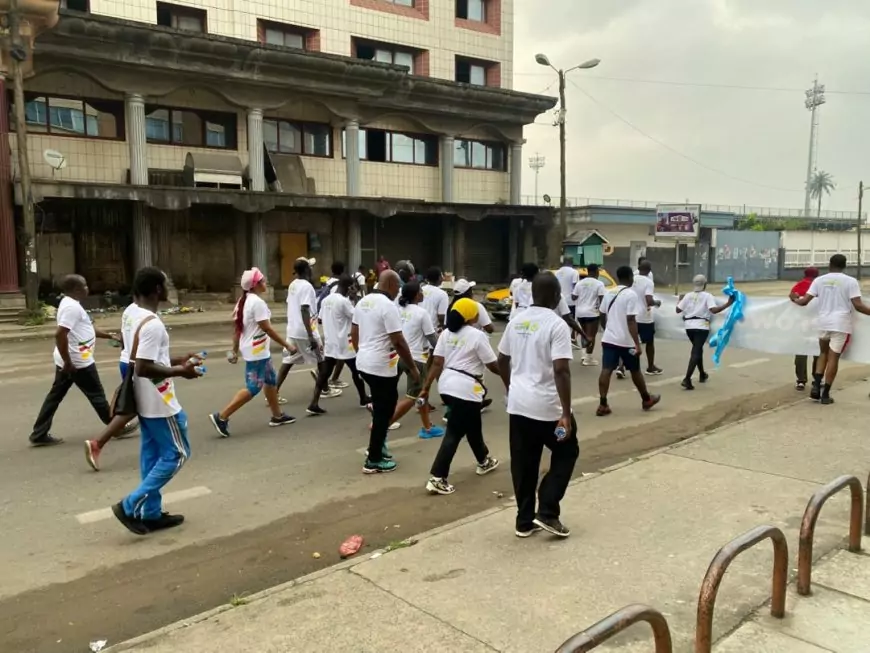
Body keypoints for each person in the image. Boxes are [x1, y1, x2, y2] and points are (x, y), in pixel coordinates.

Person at [111, 267, 203, 536]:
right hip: (159, 399)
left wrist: (177, 360)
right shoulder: (152, 324)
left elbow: (146, 357)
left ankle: (150, 513)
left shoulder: (131, 312)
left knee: (151, 455)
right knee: (177, 453)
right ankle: (130, 505)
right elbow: (143, 366)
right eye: (165, 284)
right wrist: (181, 372)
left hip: (144, 397)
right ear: (158, 290)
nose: (167, 288)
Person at [497, 272, 579, 538]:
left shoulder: (516, 321)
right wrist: (566, 413)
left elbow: (502, 360)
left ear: (532, 295)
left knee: (524, 462)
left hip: (519, 408)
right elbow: (561, 371)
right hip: (550, 411)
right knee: (566, 451)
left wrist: (511, 388)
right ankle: (547, 510)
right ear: (557, 296)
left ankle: (524, 521)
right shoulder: (556, 325)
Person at [420, 298, 502, 495]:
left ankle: (483, 460)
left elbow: (437, 363)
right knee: (455, 432)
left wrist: (426, 387)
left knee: (472, 425)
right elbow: (492, 365)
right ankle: (437, 477)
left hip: (447, 386)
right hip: (466, 389)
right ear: (471, 316)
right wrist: (511, 374)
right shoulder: (477, 335)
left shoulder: (446, 334)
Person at [29, 274, 120, 447]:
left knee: (55, 396)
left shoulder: (71, 304)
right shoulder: (71, 308)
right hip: (77, 361)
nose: (87, 288)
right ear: (76, 289)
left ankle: (38, 433)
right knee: (97, 395)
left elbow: (88, 328)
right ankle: (116, 426)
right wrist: (68, 362)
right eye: (85, 286)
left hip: (70, 359)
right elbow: (60, 334)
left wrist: (108, 335)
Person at [208, 268, 296, 437]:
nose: (265, 283)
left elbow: (237, 329)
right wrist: (288, 345)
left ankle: (277, 416)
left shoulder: (244, 300)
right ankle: (222, 416)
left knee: (270, 380)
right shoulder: (257, 303)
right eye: (263, 280)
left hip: (256, 349)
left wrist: (234, 350)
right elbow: (267, 329)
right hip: (257, 351)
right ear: (256, 285)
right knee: (253, 387)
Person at [352, 269, 419, 473]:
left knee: (382, 407)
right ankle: (373, 459)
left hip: (364, 363)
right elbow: (398, 341)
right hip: (381, 367)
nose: (399, 290)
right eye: (398, 286)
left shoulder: (363, 302)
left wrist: (362, 352)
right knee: (385, 411)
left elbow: (354, 333)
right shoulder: (388, 307)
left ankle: (378, 447)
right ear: (390, 284)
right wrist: (413, 367)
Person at [792, 254, 870, 404]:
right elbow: (858, 306)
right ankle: (826, 393)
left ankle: (815, 387)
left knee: (822, 354)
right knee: (833, 358)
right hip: (840, 323)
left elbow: (804, 302)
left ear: (829, 265)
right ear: (845, 265)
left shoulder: (819, 281)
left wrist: (794, 298)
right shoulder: (851, 281)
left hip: (823, 322)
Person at [83, 296, 144, 470]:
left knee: (141, 406)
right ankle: (99, 442)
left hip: (127, 361)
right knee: (139, 407)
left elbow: (125, 337)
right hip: (140, 363)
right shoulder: (147, 316)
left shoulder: (129, 310)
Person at [597, 266, 661, 416]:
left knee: (606, 370)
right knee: (635, 370)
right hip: (626, 341)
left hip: (609, 339)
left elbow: (601, 313)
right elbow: (631, 320)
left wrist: (607, 329)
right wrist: (637, 344)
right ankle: (646, 399)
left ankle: (603, 404)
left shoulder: (609, 292)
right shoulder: (630, 294)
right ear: (630, 278)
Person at [275, 257, 341, 402]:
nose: (312, 269)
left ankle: (274, 392)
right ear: (306, 270)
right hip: (306, 331)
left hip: (292, 330)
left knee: (288, 361)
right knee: (322, 360)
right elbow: (304, 309)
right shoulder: (307, 286)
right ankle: (325, 389)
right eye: (310, 267)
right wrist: (311, 335)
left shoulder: (293, 284)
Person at [388, 282, 444, 439]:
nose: (422, 293)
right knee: (413, 398)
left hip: (398, 356)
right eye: (420, 291)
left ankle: (427, 427)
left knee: (422, 393)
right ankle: (383, 425)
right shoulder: (421, 313)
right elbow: (431, 337)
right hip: (416, 358)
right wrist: (441, 351)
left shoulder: (398, 311)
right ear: (415, 295)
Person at [314, 274, 371, 409]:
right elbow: (357, 316)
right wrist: (355, 299)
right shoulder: (344, 302)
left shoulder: (326, 300)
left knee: (324, 374)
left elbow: (321, 319)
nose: (354, 290)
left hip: (331, 343)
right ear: (349, 287)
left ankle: (313, 402)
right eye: (353, 288)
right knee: (357, 372)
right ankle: (363, 398)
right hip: (345, 343)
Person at [676, 275, 735, 390]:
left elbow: (678, 310)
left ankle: (702, 374)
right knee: (696, 351)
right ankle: (687, 378)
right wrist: (728, 303)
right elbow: (713, 310)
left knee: (698, 349)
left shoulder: (688, 296)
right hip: (701, 327)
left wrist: (680, 299)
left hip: (689, 327)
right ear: (705, 284)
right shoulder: (707, 296)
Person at [627, 260, 662, 376]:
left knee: (629, 341)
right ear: (649, 270)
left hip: (631, 315)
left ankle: (621, 367)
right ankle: (650, 366)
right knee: (649, 343)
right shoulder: (648, 282)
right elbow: (649, 300)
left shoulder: (631, 279)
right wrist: (656, 302)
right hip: (644, 317)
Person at [789, 267, 820, 391]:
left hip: (802, 324)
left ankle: (801, 380)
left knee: (801, 351)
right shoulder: (819, 285)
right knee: (818, 352)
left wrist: (794, 298)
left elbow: (792, 297)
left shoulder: (798, 285)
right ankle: (817, 378)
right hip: (818, 323)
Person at [572, 263, 606, 366]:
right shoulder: (599, 284)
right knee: (591, 335)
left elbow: (573, 297)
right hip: (592, 313)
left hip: (580, 312)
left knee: (584, 334)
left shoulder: (580, 283)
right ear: (596, 272)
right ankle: (588, 358)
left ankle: (584, 355)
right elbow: (602, 300)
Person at [555, 257, 580, 347]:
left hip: (558, 300)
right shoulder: (574, 272)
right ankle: (572, 339)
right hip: (570, 301)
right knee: (571, 321)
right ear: (571, 262)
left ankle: (560, 339)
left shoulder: (557, 272)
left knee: (560, 321)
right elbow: (575, 286)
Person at [421, 266, 450, 331]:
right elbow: (441, 316)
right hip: (432, 329)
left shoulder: (420, 290)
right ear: (439, 277)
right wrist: (444, 329)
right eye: (442, 275)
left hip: (418, 327)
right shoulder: (442, 294)